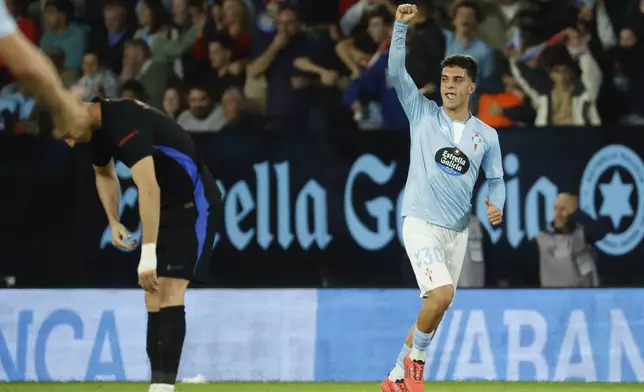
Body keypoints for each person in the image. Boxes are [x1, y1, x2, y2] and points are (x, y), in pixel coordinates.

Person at [47, 98, 222, 392]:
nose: (70, 143)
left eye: (67, 134)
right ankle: (158, 383)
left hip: (194, 201)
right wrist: (114, 220)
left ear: (78, 113)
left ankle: (164, 388)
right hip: (165, 205)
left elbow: (149, 186)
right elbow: (104, 174)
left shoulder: (124, 120)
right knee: (152, 296)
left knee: (168, 288)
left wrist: (148, 253)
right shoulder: (92, 132)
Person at [382, 5, 506, 392]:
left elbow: (497, 179)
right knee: (441, 295)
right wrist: (400, 27)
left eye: (457, 79)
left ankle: (394, 379)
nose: (449, 85)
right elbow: (396, 73)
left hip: (457, 230)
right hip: (419, 221)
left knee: (437, 306)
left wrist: (496, 203)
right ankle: (417, 367)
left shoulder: (486, 135)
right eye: (444, 78)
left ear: (472, 87)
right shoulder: (422, 113)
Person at [0, 0, 86, 136]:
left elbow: (69, 67)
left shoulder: (77, 34)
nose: (46, 17)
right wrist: (64, 106)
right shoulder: (47, 36)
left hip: (66, 74)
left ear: (63, 16)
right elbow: (27, 66)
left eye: (50, 12)